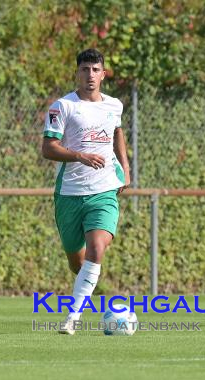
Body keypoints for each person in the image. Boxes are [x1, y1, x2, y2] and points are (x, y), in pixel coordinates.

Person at [42, 48, 130, 334]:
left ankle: (72, 318)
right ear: (77, 73)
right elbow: (48, 148)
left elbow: (117, 133)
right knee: (77, 262)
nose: (90, 75)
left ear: (103, 74)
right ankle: (100, 301)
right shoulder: (63, 107)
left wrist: (126, 170)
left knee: (96, 247)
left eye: (95, 70)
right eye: (84, 70)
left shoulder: (114, 105)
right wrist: (80, 156)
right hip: (69, 193)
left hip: (104, 189)